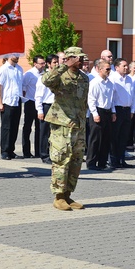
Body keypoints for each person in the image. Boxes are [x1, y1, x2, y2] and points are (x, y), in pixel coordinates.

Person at [41, 46, 90, 211]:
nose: (81, 61)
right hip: (62, 126)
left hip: (78, 126)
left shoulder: (84, 78)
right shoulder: (60, 76)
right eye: (78, 58)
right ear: (69, 58)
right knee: (61, 159)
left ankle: (68, 194)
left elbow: (84, 102)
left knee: (76, 161)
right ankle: (59, 196)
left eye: (82, 58)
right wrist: (63, 65)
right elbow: (46, 80)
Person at [85, 58, 115, 171]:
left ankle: (102, 162)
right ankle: (91, 162)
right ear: (100, 69)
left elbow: (112, 99)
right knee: (95, 139)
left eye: (110, 69)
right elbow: (91, 100)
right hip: (98, 111)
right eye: (107, 69)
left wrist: (113, 112)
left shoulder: (110, 83)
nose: (109, 71)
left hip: (107, 111)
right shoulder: (95, 83)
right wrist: (94, 114)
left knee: (106, 138)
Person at [108, 58, 135, 169]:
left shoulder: (129, 79)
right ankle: (114, 161)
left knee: (124, 136)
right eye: (124, 66)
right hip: (117, 110)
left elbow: (132, 96)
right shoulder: (113, 79)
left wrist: (132, 110)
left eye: (127, 66)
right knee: (115, 136)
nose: (126, 68)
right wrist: (113, 112)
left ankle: (122, 160)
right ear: (116, 67)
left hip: (127, 110)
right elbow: (112, 98)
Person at [0, 55, 23, 159]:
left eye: (18, 54)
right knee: (6, 127)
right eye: (14, 54)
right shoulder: (4, 69)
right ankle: (5, 151)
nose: (17, 56)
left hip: (17, 100)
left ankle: (11, 150)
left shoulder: (19, 69)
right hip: (7, 101)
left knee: (15, 127)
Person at [35, 55, 58, 163]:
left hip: (56, 107)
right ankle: (44, 154)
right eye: (54, 62)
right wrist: (39, 110)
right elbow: (38, 95)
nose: (57, 64)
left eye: (57, 62)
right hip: (46, 105)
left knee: (55, 132)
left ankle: (53, 153)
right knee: (44, 131)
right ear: (49, 64)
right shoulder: (43, 78)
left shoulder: (59, 76)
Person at [20, 56, 45, 158]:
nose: (43, 65)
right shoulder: (29, 74)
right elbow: (24, 87)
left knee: (39, 128)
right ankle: (26, 151)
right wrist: (25, 99)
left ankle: (38, 151)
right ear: (35, 64)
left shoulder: (44, 74)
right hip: (30, 102)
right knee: (28, 127)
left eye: (44, 63)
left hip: (40, 103)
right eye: (41, 63)